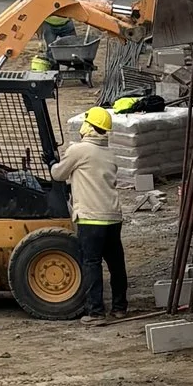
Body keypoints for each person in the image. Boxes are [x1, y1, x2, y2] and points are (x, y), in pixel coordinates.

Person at [50, 102, 129, 324]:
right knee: (116, 264)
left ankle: (96, 313)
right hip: (113, 217)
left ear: (89, 126)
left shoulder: (79, 150)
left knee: (91, 263)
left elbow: (58, 174)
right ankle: (120, 308)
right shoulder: (109, 154)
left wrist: (51, 164)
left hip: (90, 219)